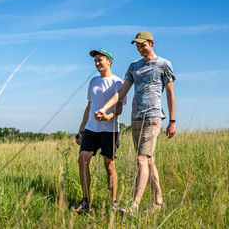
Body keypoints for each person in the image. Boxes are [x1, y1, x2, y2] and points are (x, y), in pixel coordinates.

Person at [95, 31, 176, 213]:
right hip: (136, 117)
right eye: (137, 45)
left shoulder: (164, 64)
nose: (139, 48)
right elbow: (121, 92)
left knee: (141, 160)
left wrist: (172, 121)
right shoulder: (134, 66)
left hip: (153, 116)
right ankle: (158, 202)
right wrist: (105, 108)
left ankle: (134, 207)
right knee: (148, 160)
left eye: (142, 44)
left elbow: (170, 93)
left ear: (151, 43)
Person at [74, 48, 125, 214]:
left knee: (109, 165)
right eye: (95, 61)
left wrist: (107, 117)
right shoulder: (93, 81)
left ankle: (113, 203)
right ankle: (85, 201)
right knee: (83, 159)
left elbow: (118, 110)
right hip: (91, 128)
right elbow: (89, 106)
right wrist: (81, 130)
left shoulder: (118, 82)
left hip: (109, 130)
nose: (97, 63)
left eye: (100, 60)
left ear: (109, 61)